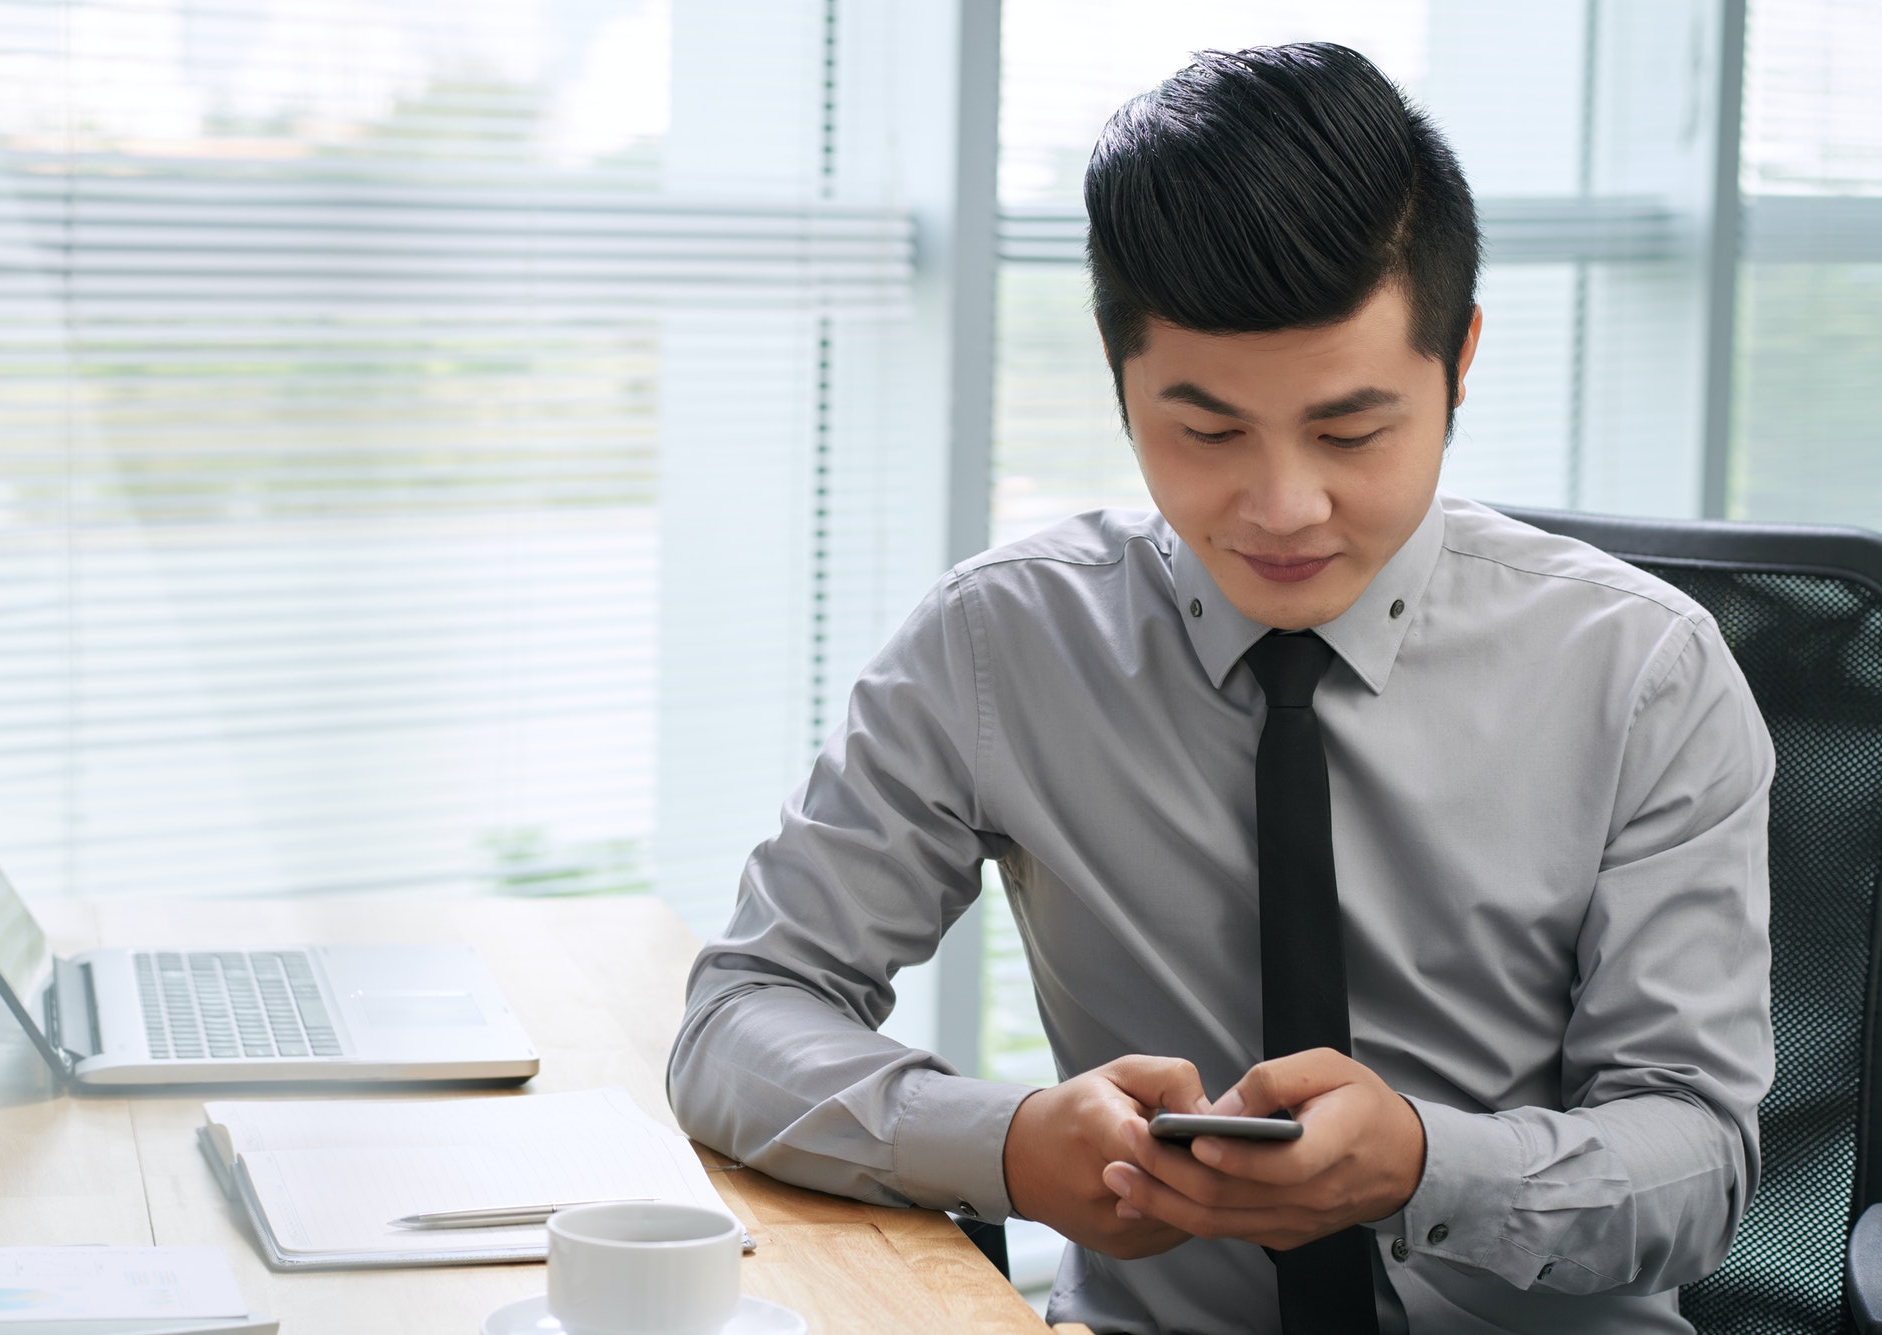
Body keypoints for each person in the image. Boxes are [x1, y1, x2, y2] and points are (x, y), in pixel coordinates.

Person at [667, 42, 1773, 1335]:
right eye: (1205, 433)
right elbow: (744, 1019)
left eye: (1353, 432)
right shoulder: (1003, 644)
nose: (1282, 507)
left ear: (1459, 358)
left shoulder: (1642, 671)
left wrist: (1427, 1167)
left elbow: (1699, 1165)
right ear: (1119, 371)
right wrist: (1010, 1144)